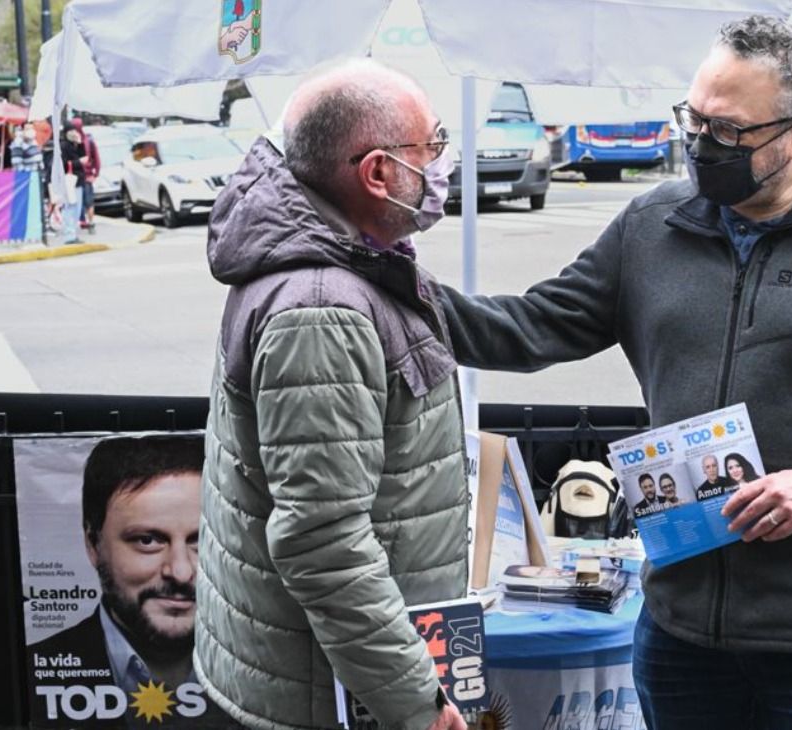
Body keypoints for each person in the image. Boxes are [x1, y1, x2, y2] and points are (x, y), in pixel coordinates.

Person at [437, 15, 792, 728]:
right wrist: (391, 290)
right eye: (694, 119)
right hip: (679, 635)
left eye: (727, 132)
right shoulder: (650, 224)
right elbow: (536, 325)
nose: (701, 144)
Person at [196, 59, 468, 730]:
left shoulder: (345, 261)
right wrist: (417, 703)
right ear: (377, 173)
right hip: (335, 694)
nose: (441, 162)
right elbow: (324, 539)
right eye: (430, 145)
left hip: (331, 672)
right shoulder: (321, 306)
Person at [28, 436, 205, 694]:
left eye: (202, 541)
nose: (181, 571)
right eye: (147, 540)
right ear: (93, 544)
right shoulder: (33, 674)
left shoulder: (272, 667)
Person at [70, 117, 101, 233]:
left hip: (86, 176)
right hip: (76, 176)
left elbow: (96, 158)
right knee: (79, 201)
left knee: (88, 201)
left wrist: (95, 173)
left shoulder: (88, 141)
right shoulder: (71, 142)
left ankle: (91, 222)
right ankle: (83, 221)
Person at [60, 127, 87, 244]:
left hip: (79, 180)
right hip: (70, 181)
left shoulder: (75, 144)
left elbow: (84, 156)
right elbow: (65, 164)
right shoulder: (64, 146)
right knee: (70, 207)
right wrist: (79, 162)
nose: (74, 133)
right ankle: (69, 235)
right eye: (72, 131)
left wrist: (80, 144)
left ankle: (73, 233)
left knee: (77, 208)